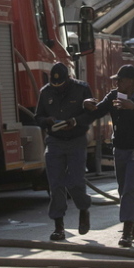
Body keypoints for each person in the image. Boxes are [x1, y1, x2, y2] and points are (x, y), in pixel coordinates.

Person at [83, 64, 134, 247]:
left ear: (131, 81)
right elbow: (99, 111)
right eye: (116, 80)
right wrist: (87, 106)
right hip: (120, 148)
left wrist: (133, 108)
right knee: (124, 190)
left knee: (131, 187)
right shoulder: (114, 96)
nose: (117, 83)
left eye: (120, 80)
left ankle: (127, 231)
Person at [34, 62, 94, 241]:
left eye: (60, 84)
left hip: (76, 140)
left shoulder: (82, 89)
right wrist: (48, 121)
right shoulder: (45, 92)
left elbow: (91, 114)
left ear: (68, 79)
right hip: (55, 142)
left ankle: (83, 209)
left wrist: (75, 121)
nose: (57, 88)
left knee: (75, 181)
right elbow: (38, 117)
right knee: (56, 185)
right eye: (54, 84)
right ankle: (58, 226)